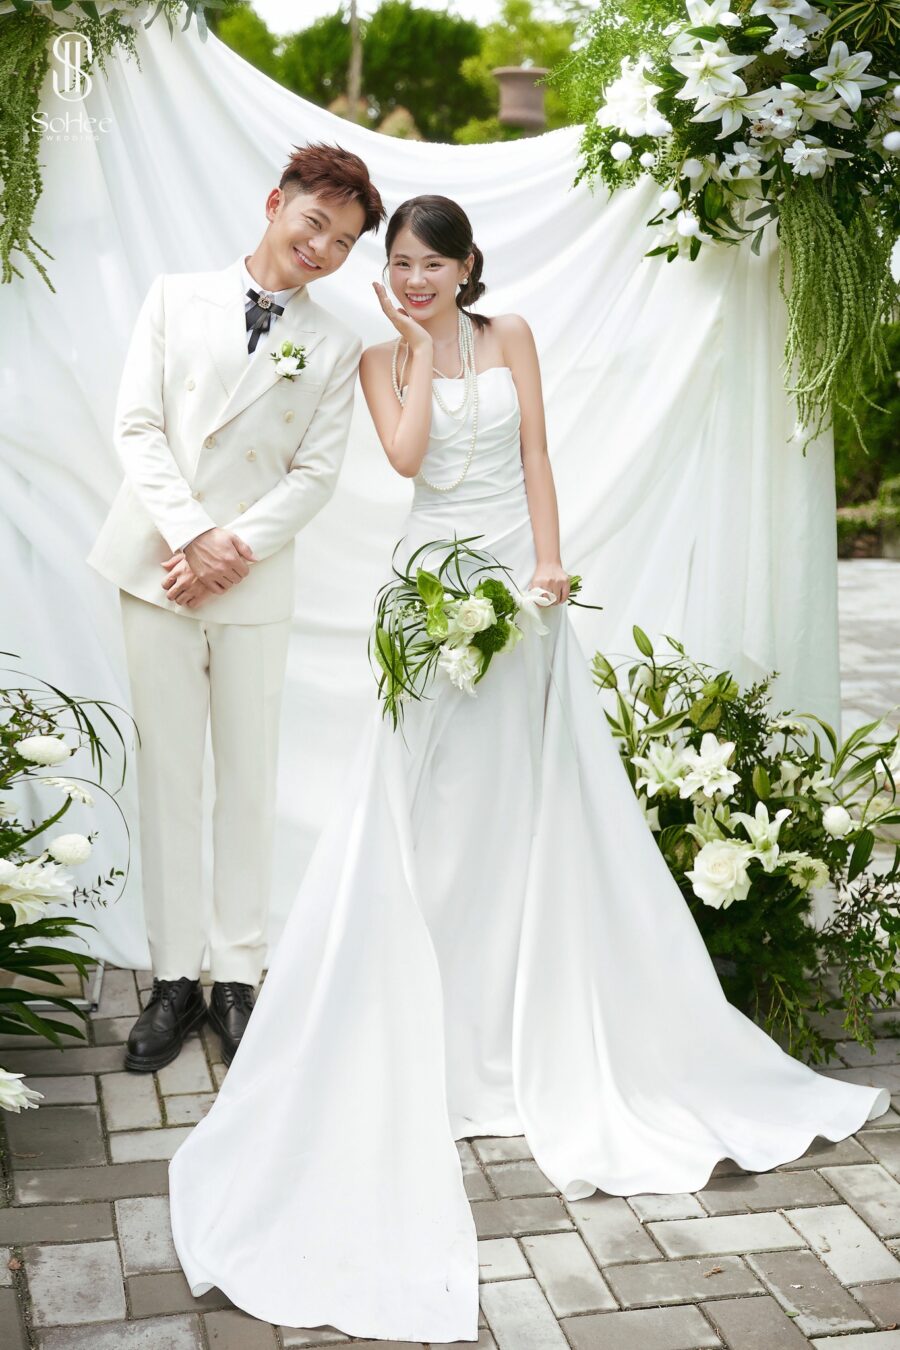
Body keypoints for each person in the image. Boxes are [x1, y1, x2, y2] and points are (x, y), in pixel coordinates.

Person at [167, 195, 889, 1344]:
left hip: (520, 583)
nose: (413, 279)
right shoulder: (380, 357)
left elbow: (536, 451)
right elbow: (408, 460)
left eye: (431, 264)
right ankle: (438, 1032)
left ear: (467, 266)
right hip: (430, 588)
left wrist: (551, 564)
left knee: (522, 805)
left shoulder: (513, 337)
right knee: (434, 813)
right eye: (399, 263)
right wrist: (411, 350)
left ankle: (526, 1019)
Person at [87, 143, 385, 1072]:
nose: (322, 248)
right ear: (274, 204)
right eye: (314, 223)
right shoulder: (175, 297)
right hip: (158, 568)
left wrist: (229, 551)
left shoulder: (336, 344)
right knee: (171, 777)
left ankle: (238, 978)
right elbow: (137, 426)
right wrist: (191, 536)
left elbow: (315, 476)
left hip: (251, 580)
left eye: (342, 243)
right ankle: (175, 979)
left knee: (249, 782)